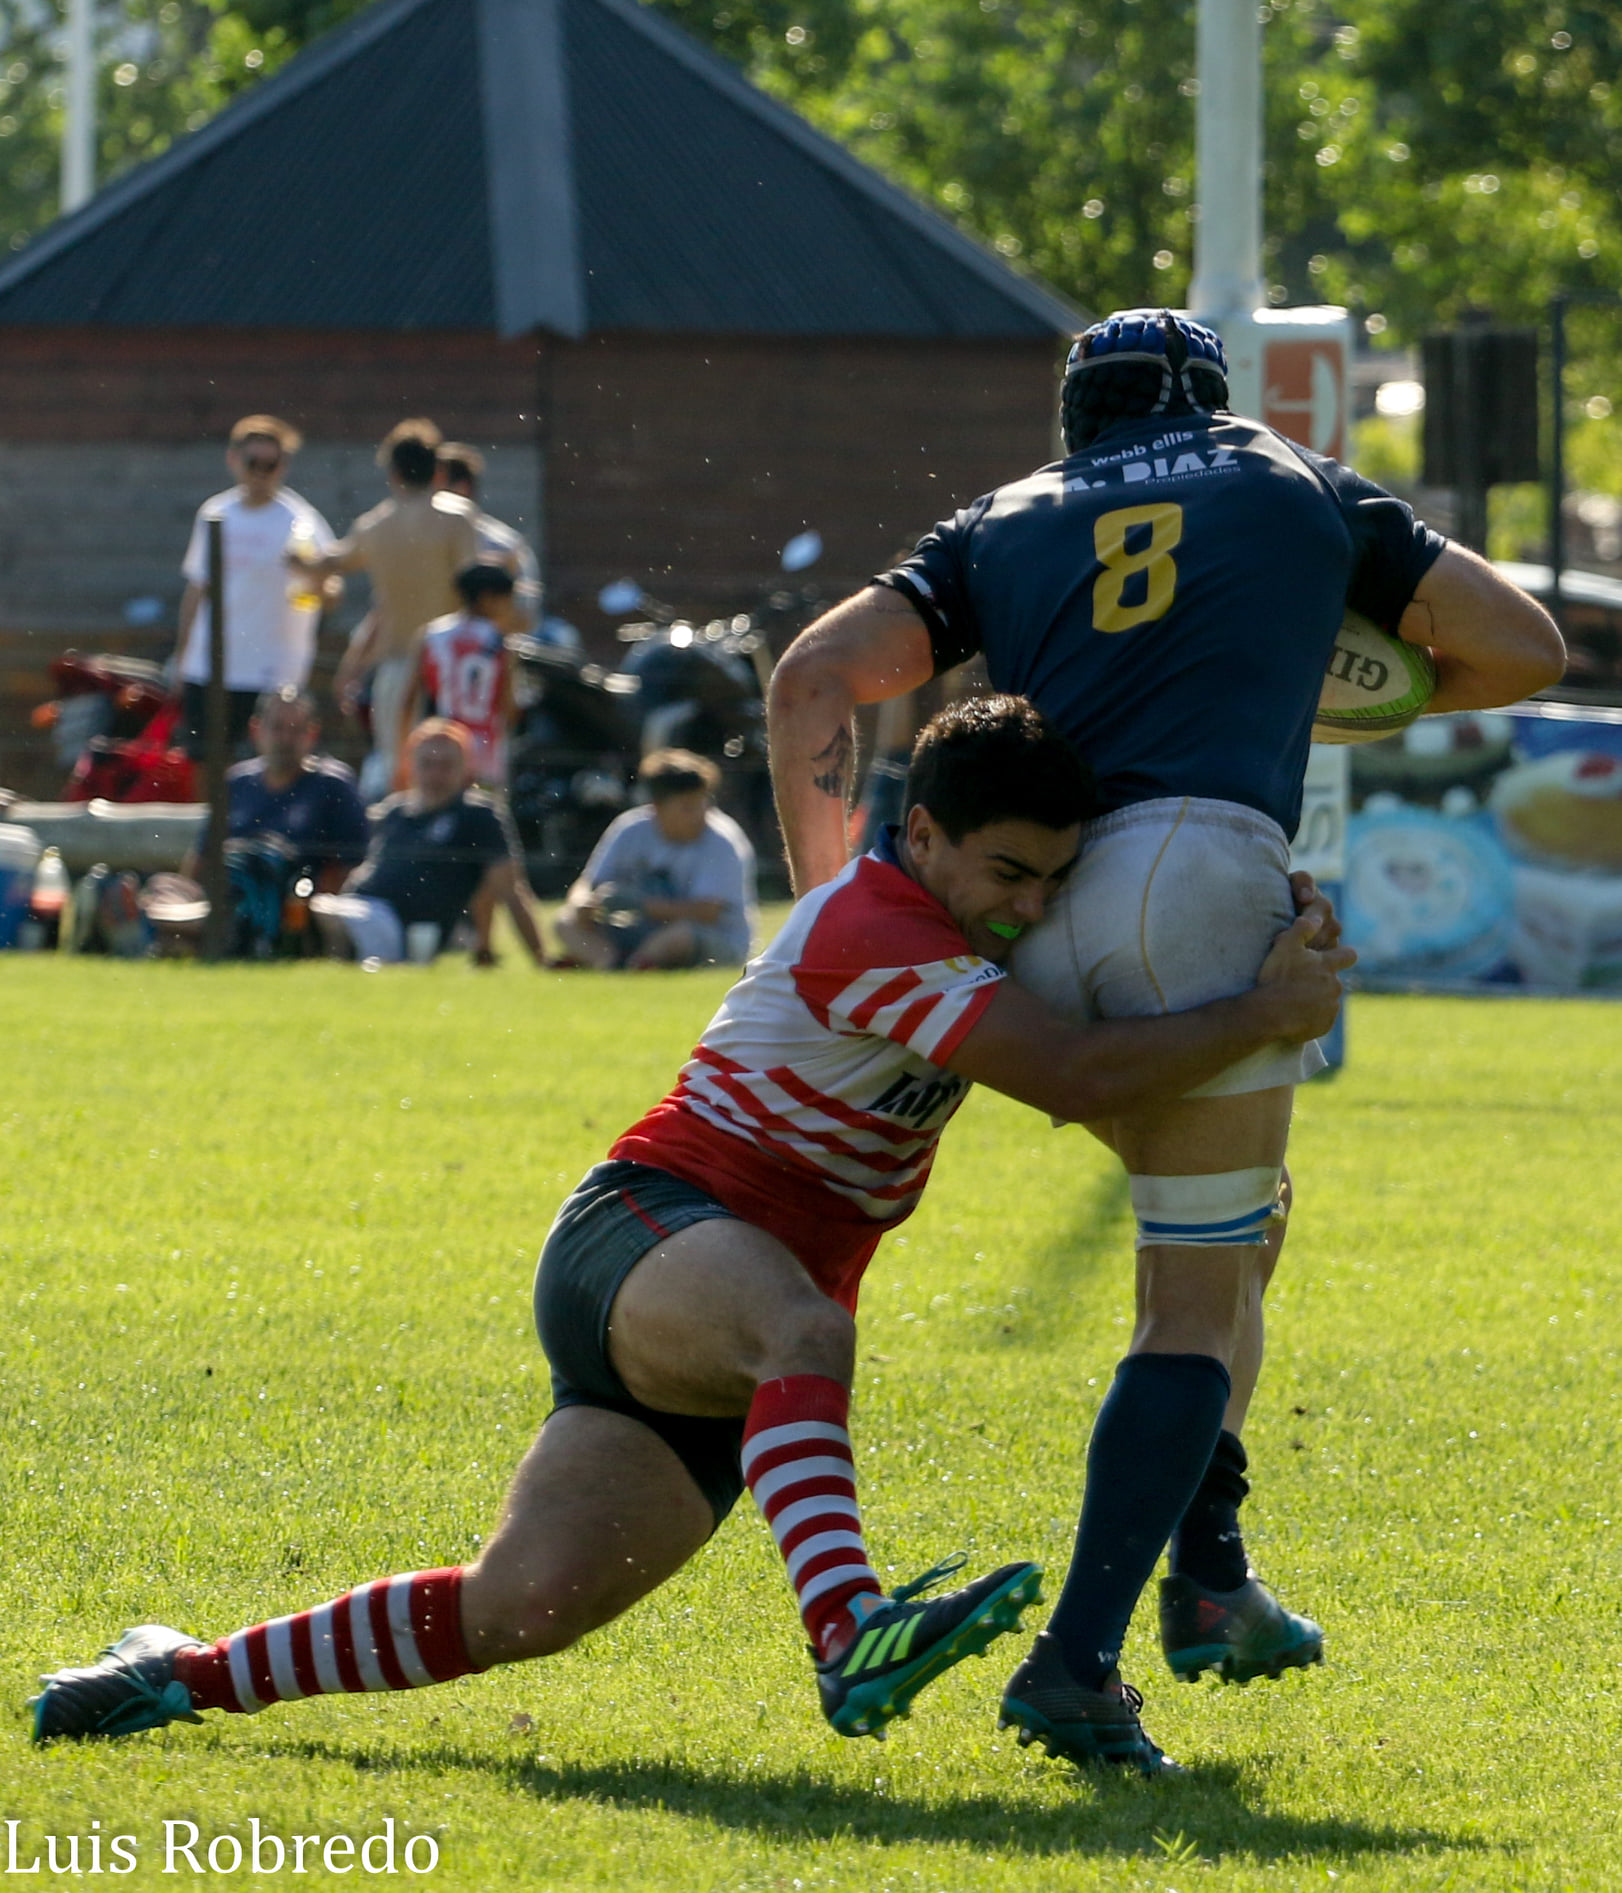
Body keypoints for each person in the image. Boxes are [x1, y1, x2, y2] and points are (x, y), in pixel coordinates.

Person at [31, 695, 1352, 1751]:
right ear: (929, 833)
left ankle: (178, 1677)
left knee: (514, 1608)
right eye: (1008, 869)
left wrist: (1224, 1193)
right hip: (645, 1233)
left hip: (705, 1319)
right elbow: (1071, 1075)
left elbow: (1092, 1085)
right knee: (804, 1327)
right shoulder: (875, 926)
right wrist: (1263, 1019)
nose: (1027, 902)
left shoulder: (968, 927)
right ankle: (849, 1634)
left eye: (1053, 879)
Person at [766, 309, 1566, 1773]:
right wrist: (1333, 704)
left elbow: (814, 677)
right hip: (1201, 873)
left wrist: (841, 917)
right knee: (1189, 1305)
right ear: (1212, 394)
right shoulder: (1291, 474)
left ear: (1077, 415)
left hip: (1042, 900)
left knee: (1240, 1233)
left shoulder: (1001, 517)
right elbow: (1526, 644)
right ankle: (1077, 1660)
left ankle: (1212, 1571)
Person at [321, 420, 481, 798]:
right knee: (462, 772)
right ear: (438, 470)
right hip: (452, 667)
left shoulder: (374, 526)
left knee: (401, 773)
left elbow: (332, 563)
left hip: (396, 667)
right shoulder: (458, 520)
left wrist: (294, 558)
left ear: (392, 473)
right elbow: (474, 590)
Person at [173, 415, 338, 761]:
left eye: (271, 464)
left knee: (267, 765)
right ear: (233, 460)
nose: (261, 473)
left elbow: (332, 595)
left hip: (273, 670)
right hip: (212, 663)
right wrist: (183, 656)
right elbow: (197, 590)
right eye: (253, 463)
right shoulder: (216, 513)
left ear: (284, 466)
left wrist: (312, 574)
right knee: (204, 761)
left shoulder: (302, 522)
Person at [327, 719, 544, 967]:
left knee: (325, 922)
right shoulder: (393, 811)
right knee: (306, 912)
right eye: (427, 764)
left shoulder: (476, 815)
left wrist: (540, 957)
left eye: (446, 766)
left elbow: (510, 891)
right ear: (411, 766)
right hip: (353, 907)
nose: (435, 775)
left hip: (395, 926)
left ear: (466, 767)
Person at [554, 749, 756, 969]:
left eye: (703, 803)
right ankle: (611, 964)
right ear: (657, 806)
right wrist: (582, 904)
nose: (699, 814)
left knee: (680, 936)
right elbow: (588, 882)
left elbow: (707, 913)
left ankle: (634, 964)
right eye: (687, 807)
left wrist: (640, 906)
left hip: (712, 936)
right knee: (565, 921)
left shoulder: (722, 840)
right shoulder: (630, 829)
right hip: (640, 930)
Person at [399, 564, 521, 789]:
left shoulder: (431, 635)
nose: (510, 608)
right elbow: (508, 706)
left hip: (440, 745)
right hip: (484, 750)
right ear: (487, 598)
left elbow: (409, 700)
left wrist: (404, 755)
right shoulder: (500, 641)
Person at [435, 442, 543, 630]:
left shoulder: (506, 546)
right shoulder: (422, 543)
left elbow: (527, 614)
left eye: (435, 490)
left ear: (461, 489)